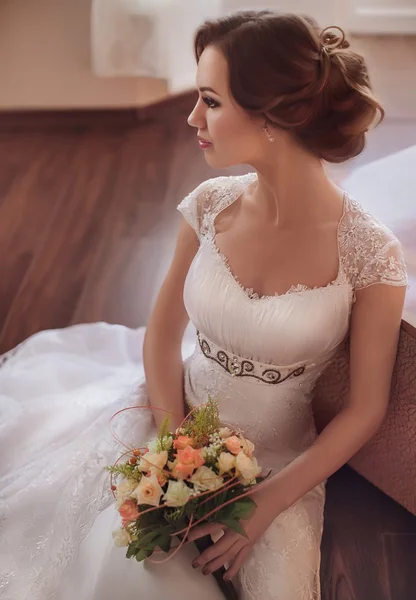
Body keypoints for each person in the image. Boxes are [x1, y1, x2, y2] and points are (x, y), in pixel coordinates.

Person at [0, 10, 409, 600]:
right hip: (169, 418)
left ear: (273, 116)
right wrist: (172, 460)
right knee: (121, 567)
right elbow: (162, 336)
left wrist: (267, 503)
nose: (193, 117)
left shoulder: (372, 254)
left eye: (210, 101)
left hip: (280, 469)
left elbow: (366, 408)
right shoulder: (209, 206)